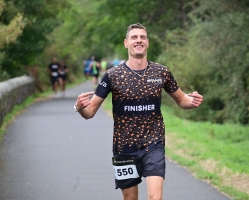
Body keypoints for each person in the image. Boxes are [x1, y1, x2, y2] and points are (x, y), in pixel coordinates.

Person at [74, 23, 203, 200]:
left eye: (142, 37)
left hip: (154, 143)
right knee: (130, 199)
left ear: (147, 43)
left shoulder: (161, 72)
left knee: (155, 197)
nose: (139, 40)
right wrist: (79, 108)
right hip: (124, 147)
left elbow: (182, 99)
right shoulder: (112, 75)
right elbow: (90, 112)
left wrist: (192, 101)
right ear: (126, 43)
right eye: (134, 37)